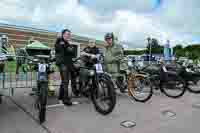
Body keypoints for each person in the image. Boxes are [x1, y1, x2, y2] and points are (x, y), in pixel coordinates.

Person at [55, 29, 77, 106]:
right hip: (63, 64)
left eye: (69, 34)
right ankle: (66, 100)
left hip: (68, 64)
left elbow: (73, 52)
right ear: (63, 34)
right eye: (67, 34)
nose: (68, 35)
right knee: (65, 82)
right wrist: (68, 49)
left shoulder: (66, 43)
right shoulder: (59, 41)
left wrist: (68, 49)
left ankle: (61, 97)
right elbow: (62, 50)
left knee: (64, 81)